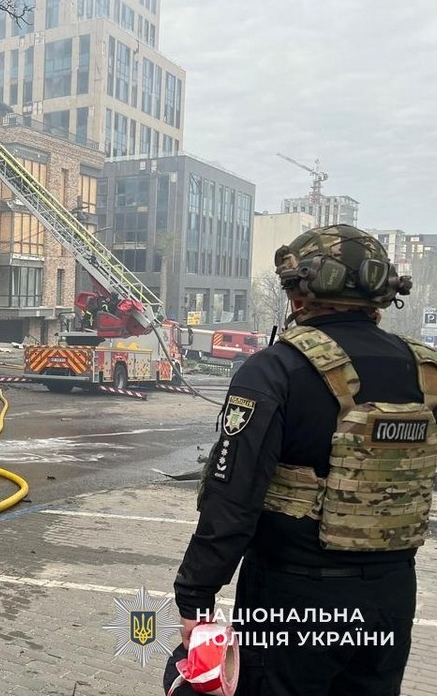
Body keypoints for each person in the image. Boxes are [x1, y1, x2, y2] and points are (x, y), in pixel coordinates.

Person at [168, 224, 429, 695]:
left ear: (300, 289)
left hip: (295, 597)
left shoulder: (276, 368)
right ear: (383, 290)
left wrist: (196, 597)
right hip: (392, 594)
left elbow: (233, 496)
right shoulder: (424, 371)